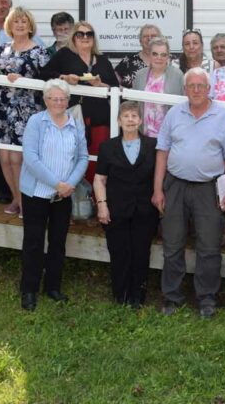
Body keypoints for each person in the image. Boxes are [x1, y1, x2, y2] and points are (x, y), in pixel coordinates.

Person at [152, 68, 225, 318]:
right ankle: (171, 297)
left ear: (209, 89)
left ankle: (207, 298)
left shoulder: (222, 117)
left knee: (209, 246)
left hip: (208, 188)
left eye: (201, 85)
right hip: (175, 185)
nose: (197, 90)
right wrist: (157, 189)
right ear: (185, 89)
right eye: (192, 86)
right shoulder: (174, 114)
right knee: (173, 243)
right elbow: (162, 152)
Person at [18, 79, 89, 311]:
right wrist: (57, 183)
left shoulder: (75, 124)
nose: (59, 103)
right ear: (46, 100)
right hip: (36, 193)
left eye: (62, 99)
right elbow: (31, 158)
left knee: (58, 243)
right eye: (54, 99)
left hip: (64, 195)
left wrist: (69, 184)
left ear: (68, 101)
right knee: (33, 242)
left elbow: (82, 158)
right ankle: (29, 290)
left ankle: (53, 287)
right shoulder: (36, 122)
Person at [0, 7, 49, 217]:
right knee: (4, 157)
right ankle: (16, 198)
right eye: (16, 22)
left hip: (26, 109)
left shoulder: (39, 51)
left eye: (24, 21)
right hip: (1, 107)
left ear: (30, 26)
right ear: (9, 26)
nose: (20, 25)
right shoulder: (3, 48)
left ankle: (25, 200)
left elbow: (48, 81)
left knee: (18, 158)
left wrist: (24, 81)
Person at [93, 101, 159, 308]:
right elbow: (99, 179)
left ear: (140, 120)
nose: (130, 120)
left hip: (144, 211)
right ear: (119, 121)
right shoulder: (107, 147)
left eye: (134, 116)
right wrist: (102, 205)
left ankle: (137, 296)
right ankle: (120, 295)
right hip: (116, 210)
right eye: (126, 116)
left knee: (141, 253)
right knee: (119, 253)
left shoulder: (153, 146)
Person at [41, 21, 120, 183]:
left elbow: (115, 88)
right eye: (80, 34)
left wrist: (100, 85)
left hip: (100, 119)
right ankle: (70, 196)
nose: (85, 37)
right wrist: (64, 78)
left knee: (97, 157)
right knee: (69, 156)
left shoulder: (103, 60)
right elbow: (44, 74)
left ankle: (94, 197)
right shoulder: (65, 54)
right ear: (74, 37)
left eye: (89, 34)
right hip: (72, 116)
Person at [133, 36, 184, 138]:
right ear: (149, 55)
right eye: (155, 54)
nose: (159, 58)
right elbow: (134, 104)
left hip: (169, 135)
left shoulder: (177, 75)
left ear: (168, 56)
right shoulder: (140, 75)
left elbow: (182, 106)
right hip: (144, 134)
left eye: (163, 54)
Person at [114, 24, 162, 88]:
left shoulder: (167, 61)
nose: (149, 38)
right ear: (140, 41)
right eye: (145, 36)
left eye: (153, 36)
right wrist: (120, 89)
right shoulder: (129, 60)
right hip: (130, 97)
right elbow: (113, 82)